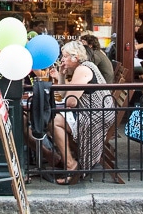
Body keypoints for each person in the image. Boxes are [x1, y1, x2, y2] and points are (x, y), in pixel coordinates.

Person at [48, 41, 115, 184]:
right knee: (54, 119)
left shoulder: (83, 69)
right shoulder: (82, 68)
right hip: (93, 112)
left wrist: (62, 100)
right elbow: (64, 94)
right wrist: (61, 75)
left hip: (96, 115)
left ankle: (71, 165)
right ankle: (69, 162)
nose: (62, 59)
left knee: (54, 122)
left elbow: (70, 101)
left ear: (75, 57)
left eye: (65, 56)